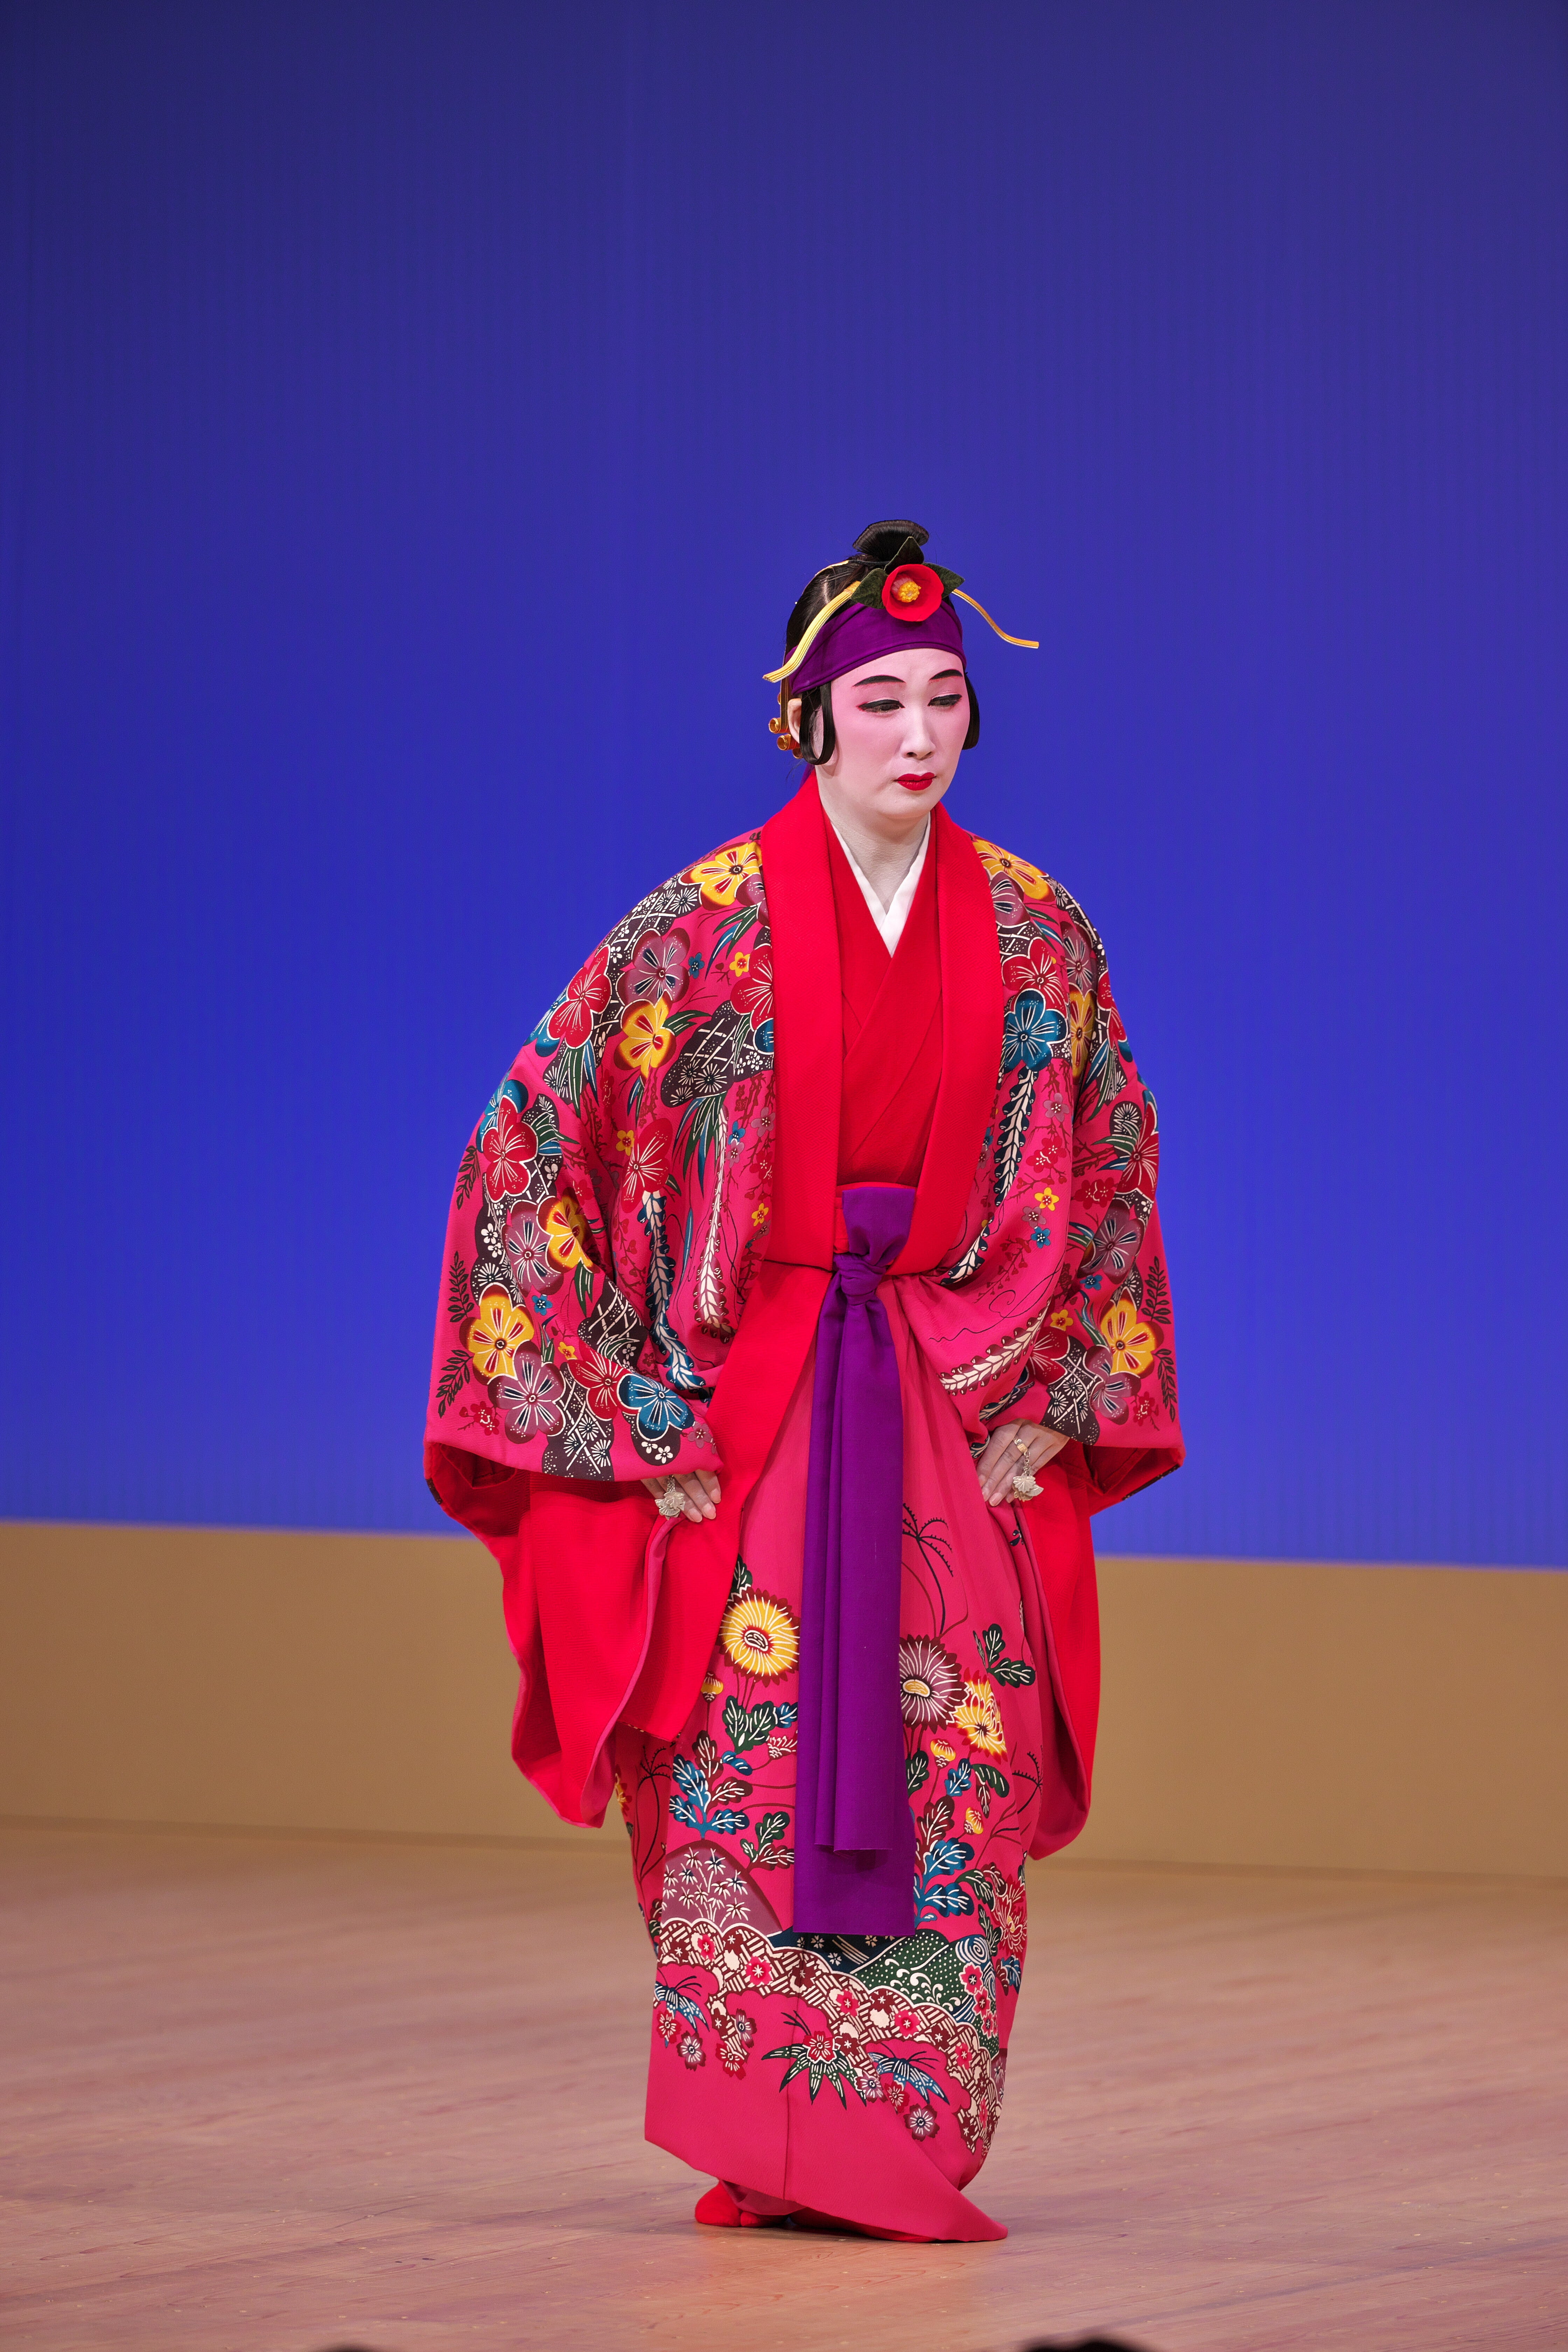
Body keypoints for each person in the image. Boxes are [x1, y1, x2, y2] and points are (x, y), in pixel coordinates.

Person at [425, 519, 1182, 2241]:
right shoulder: (697, 928)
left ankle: (906, 2133)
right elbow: (527, 1148)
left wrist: (1054, 1390)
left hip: (943, 1385)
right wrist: (635, 1417)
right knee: (735, 1756)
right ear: (807, 721)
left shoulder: (1038, 931)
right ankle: (765, 2136)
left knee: (960, 1750)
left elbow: (1112, 1163)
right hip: (757, 1396)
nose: (918, 735)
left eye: (944, 699)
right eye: (879, 701)